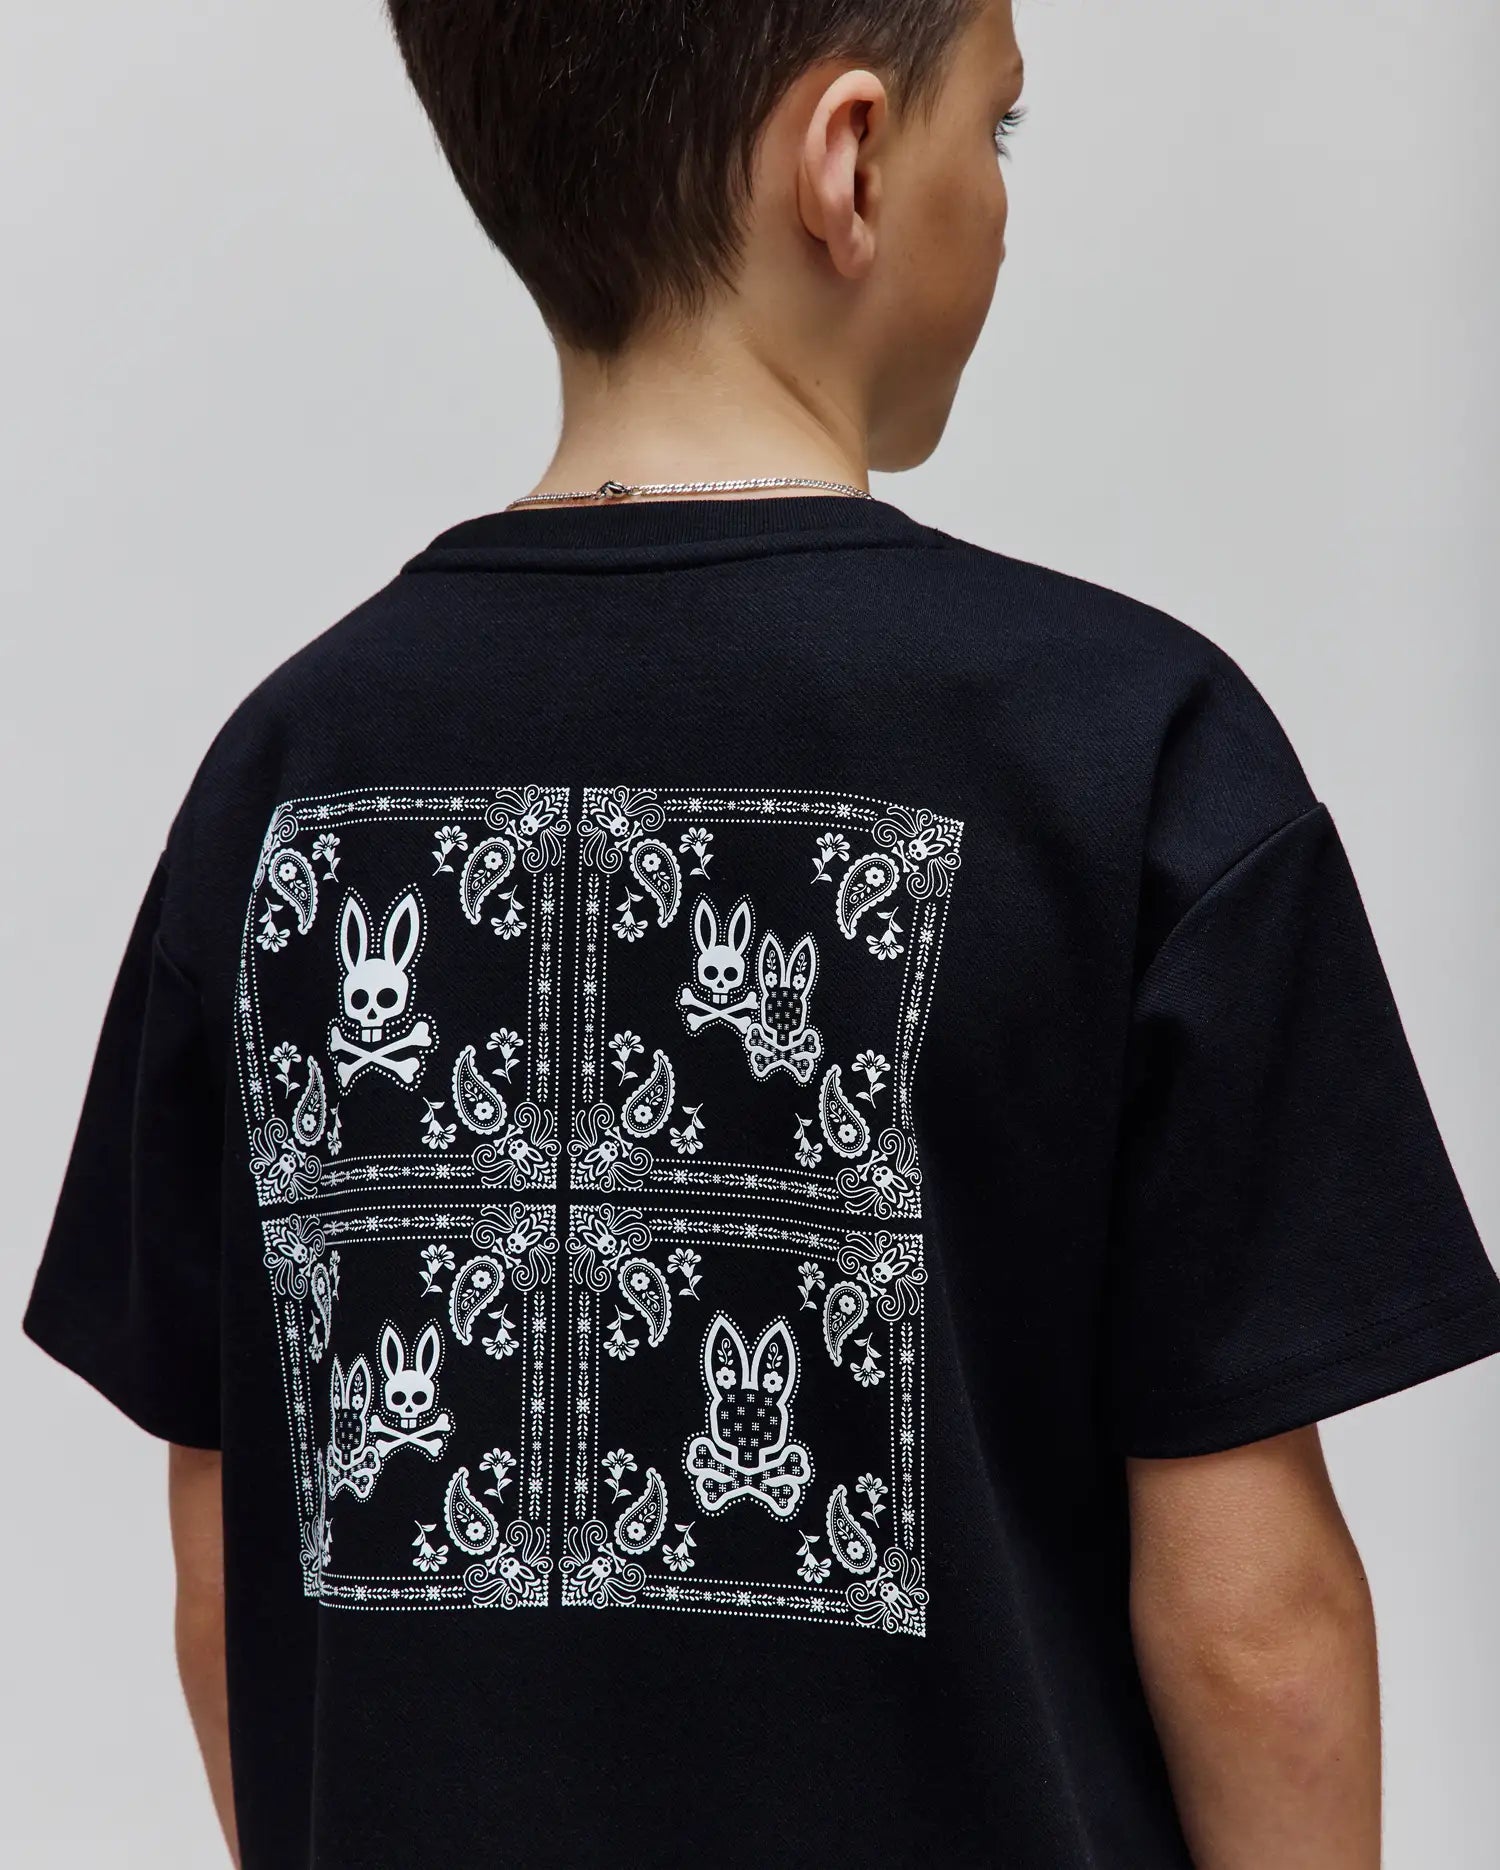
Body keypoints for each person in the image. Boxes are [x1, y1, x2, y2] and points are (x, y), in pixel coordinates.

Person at [23, 2, 1500, 1865]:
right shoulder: (1134, 758)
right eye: (1000, 132)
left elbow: (230, 1556)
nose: (1005, 195)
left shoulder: (277, 783)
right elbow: (1256, 1626)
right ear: (851, 163)